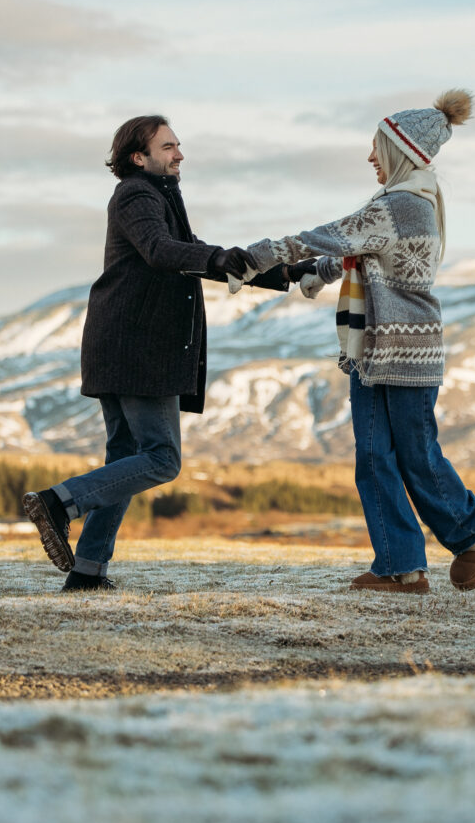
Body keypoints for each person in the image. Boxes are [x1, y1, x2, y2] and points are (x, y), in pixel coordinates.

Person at [243, 90, 475, 594]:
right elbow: (355, 253)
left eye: (377, 147)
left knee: (417, 456)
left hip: (407, 351)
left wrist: (251, 257)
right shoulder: (396, 206)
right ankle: (401, 568)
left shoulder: (401, 205)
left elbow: (328, 237)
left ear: (401, 152)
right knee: (374, 457)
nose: (370, 158)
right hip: (371, 352)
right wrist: (311, 273)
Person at [23, 114, 289, 591]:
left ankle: (87, 572)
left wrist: (275, 274)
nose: (179, 154)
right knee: (162, 458)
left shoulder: (156, 197)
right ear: (138, 157)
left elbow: (187, 249)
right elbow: (160, 249)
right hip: (139, 348)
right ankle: (59, 502)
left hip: (121, 344)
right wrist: (214, 258)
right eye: (168, 147)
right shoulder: (137, 195)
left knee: (124, 458)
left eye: (178, 146)